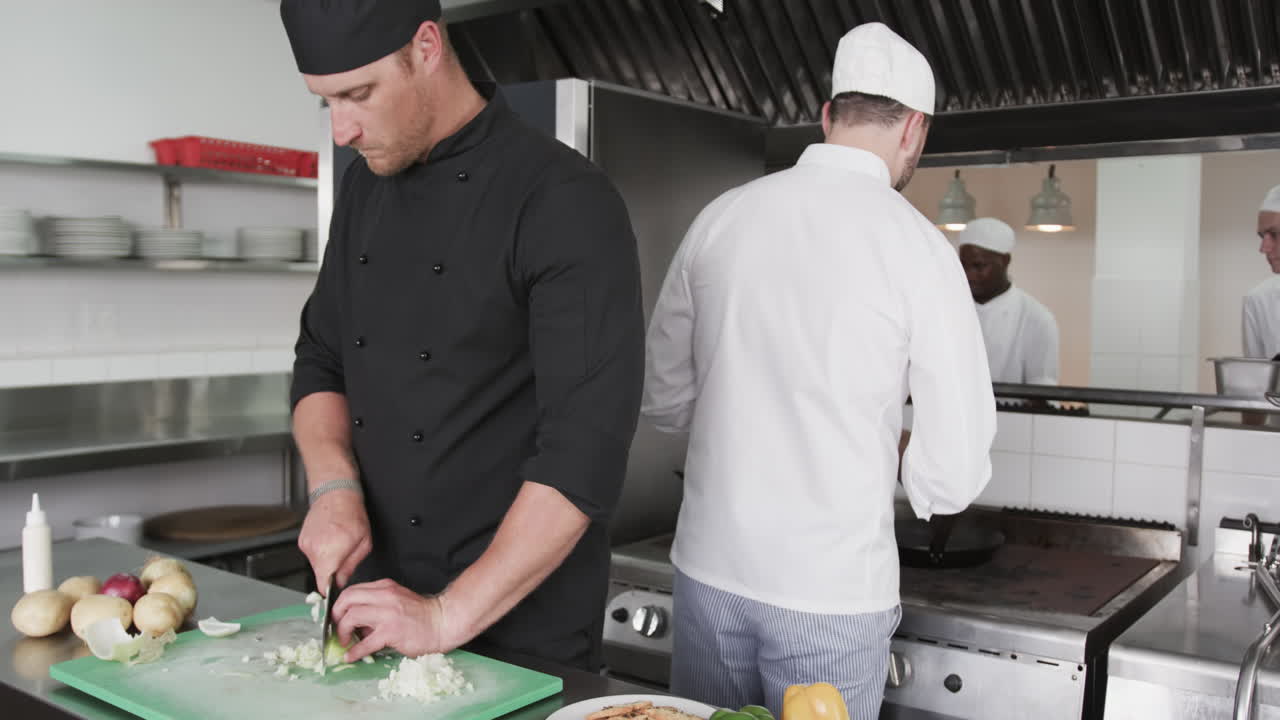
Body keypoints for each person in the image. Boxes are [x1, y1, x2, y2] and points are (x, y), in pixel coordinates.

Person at [641, 22, 996, 719]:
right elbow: (951, 471)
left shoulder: (722, 218)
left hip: (710, 570)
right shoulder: (920, 248)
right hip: (830, 591)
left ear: (828, 116)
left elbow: (663, 398)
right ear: (915, 130)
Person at [279, 0, 644, 671]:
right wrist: (333, 487)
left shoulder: (564, 200)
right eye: (324, 102)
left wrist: (446, 614)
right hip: (374, 619)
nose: (342, 131)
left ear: (425, 48)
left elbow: (583, 456)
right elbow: (322, 358)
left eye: (358, 94)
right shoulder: (363, 191)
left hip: (519, 635)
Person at [956, 218, 1060, 385]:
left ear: (1004, 261)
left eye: (979, 266)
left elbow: (1042, 389)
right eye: (963, 265)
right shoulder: (948, 311)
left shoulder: (1037, 319)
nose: (969, 275)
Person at [1244, 185, 1280, 362]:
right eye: (1262, 236)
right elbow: (1257, 383)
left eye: (1274, 234)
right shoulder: (1259, 299)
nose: (1264, 248)